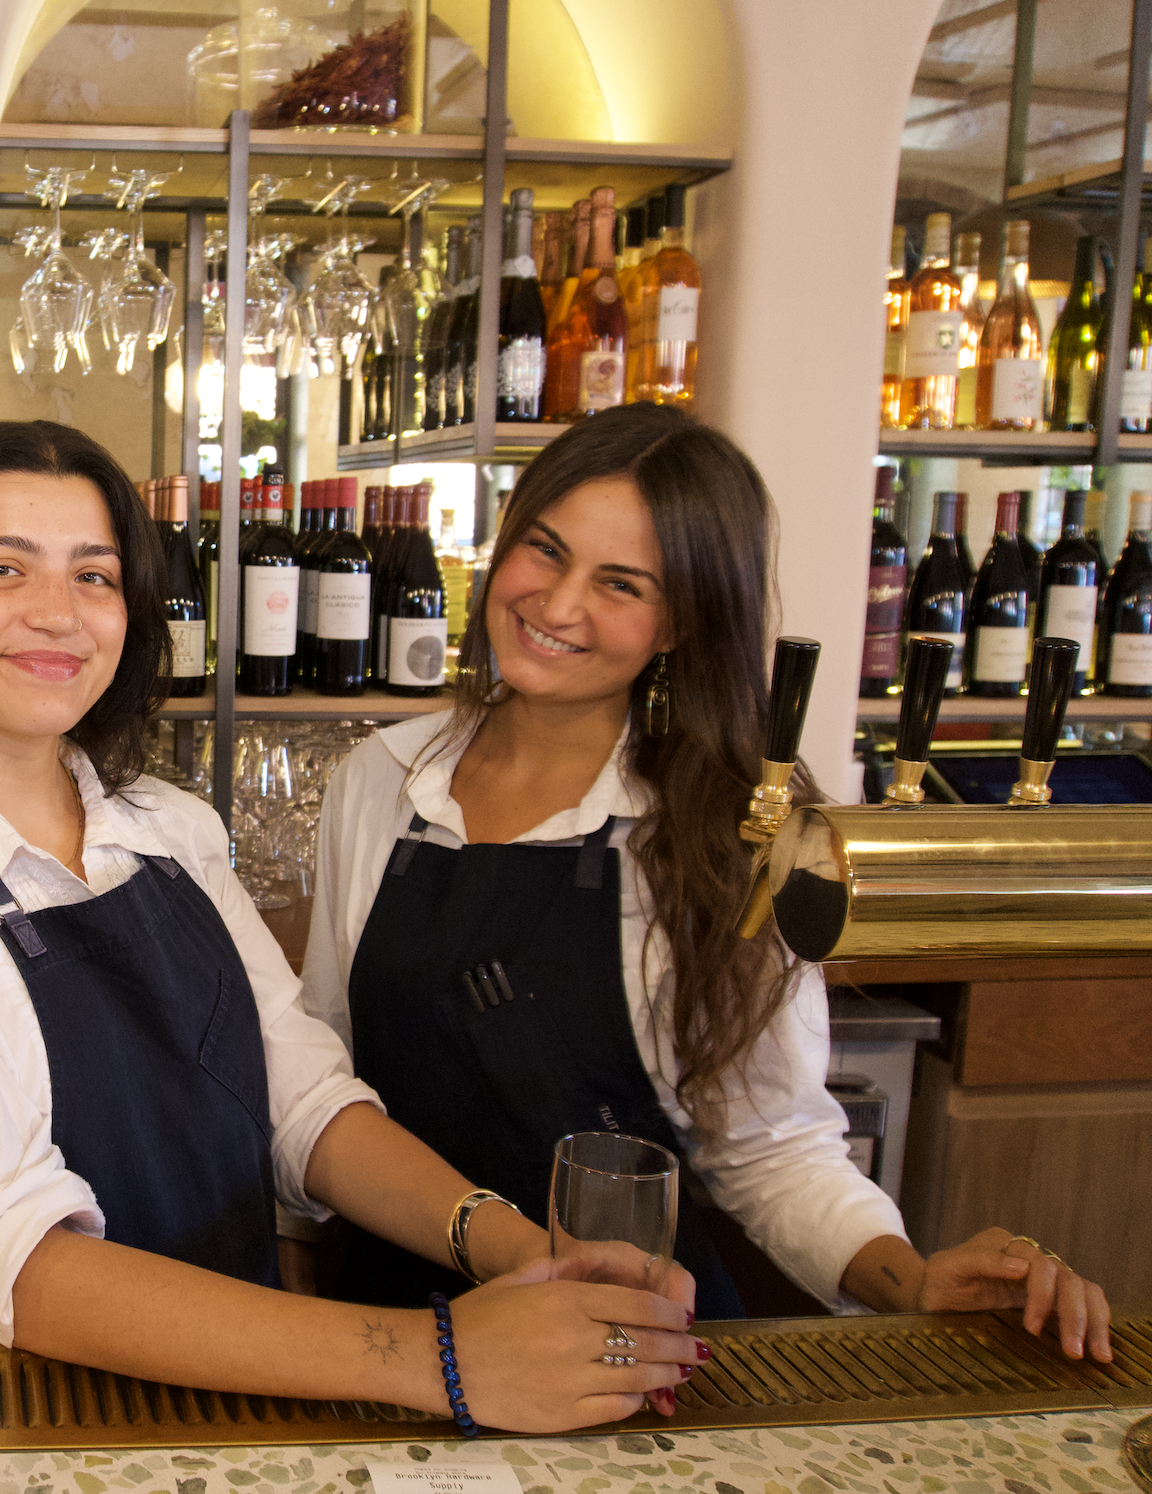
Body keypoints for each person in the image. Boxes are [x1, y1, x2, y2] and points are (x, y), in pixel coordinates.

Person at [0, 420, 704, 1436]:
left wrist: (520, 1253)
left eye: (94, 576)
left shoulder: (171, 831)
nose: (57, 612)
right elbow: (21, 1264)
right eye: (2, 568)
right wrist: (444, 1357)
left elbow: (305, 1101)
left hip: (235, 1389)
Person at [299, 402, 1113, 1361]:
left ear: (682, 621)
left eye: (621, 584)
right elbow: (324, 1073)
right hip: (390, 1327)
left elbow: (773, 1148)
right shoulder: (382, 779)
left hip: (627, 1341)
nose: (557, 605)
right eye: (545, 550)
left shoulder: (726, 833)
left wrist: (911, 1279)